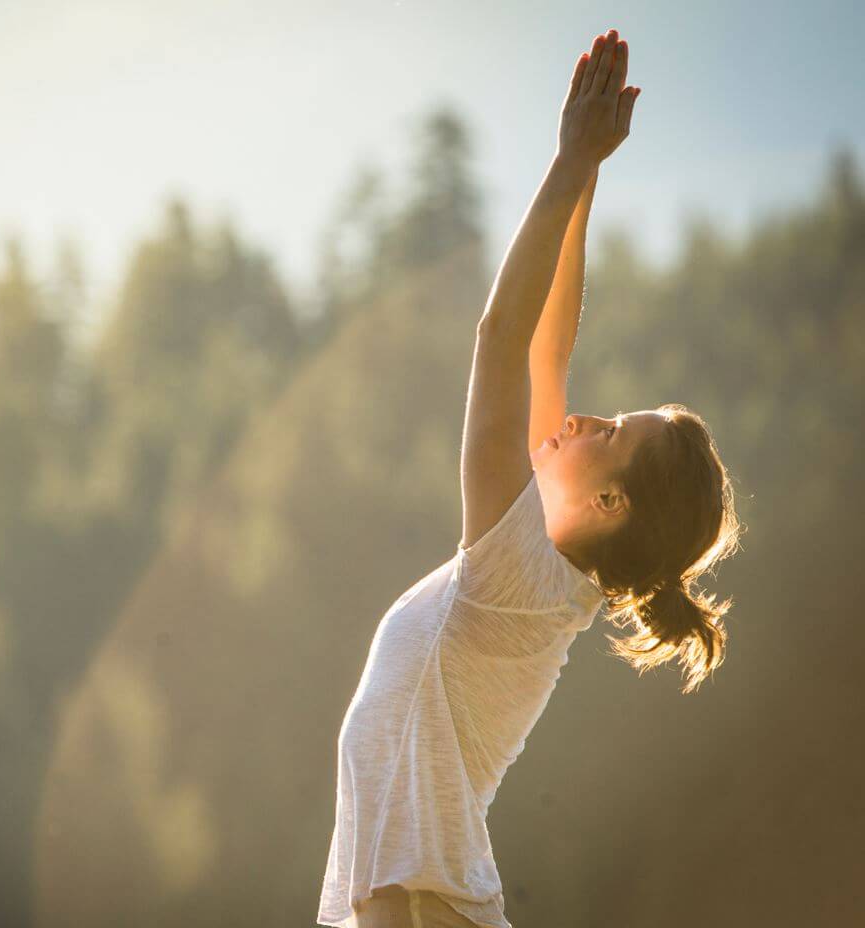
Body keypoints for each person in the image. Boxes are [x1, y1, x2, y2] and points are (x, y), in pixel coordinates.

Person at [318, 27, 742, 928]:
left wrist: (566, 167)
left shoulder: (519, 576)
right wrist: (586, 178)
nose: (582, 416)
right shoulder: (543, 571)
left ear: (610, 501)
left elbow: (503, 341)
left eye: (608, 432)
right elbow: (549, 347)